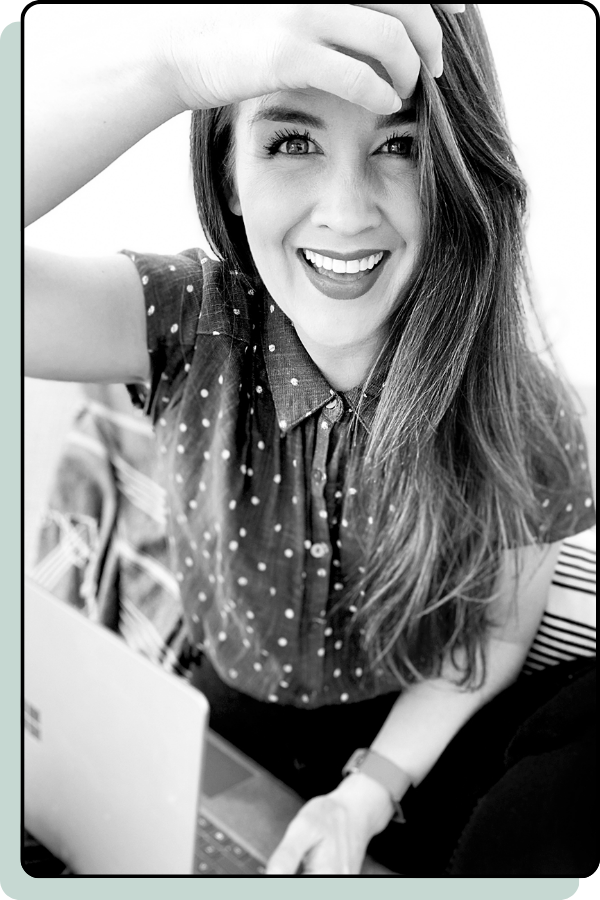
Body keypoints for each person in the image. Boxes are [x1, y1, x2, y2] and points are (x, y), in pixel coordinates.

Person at [25, 4, 595, 876]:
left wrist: (370, 789)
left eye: (400, 146)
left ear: (457, 174)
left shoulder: (523, 408)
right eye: (292, 141)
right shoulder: (189, 322)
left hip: (412, 740)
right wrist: (171, 62)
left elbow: (493, 638)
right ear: (228, 173)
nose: (346, 212)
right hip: (228, 713)